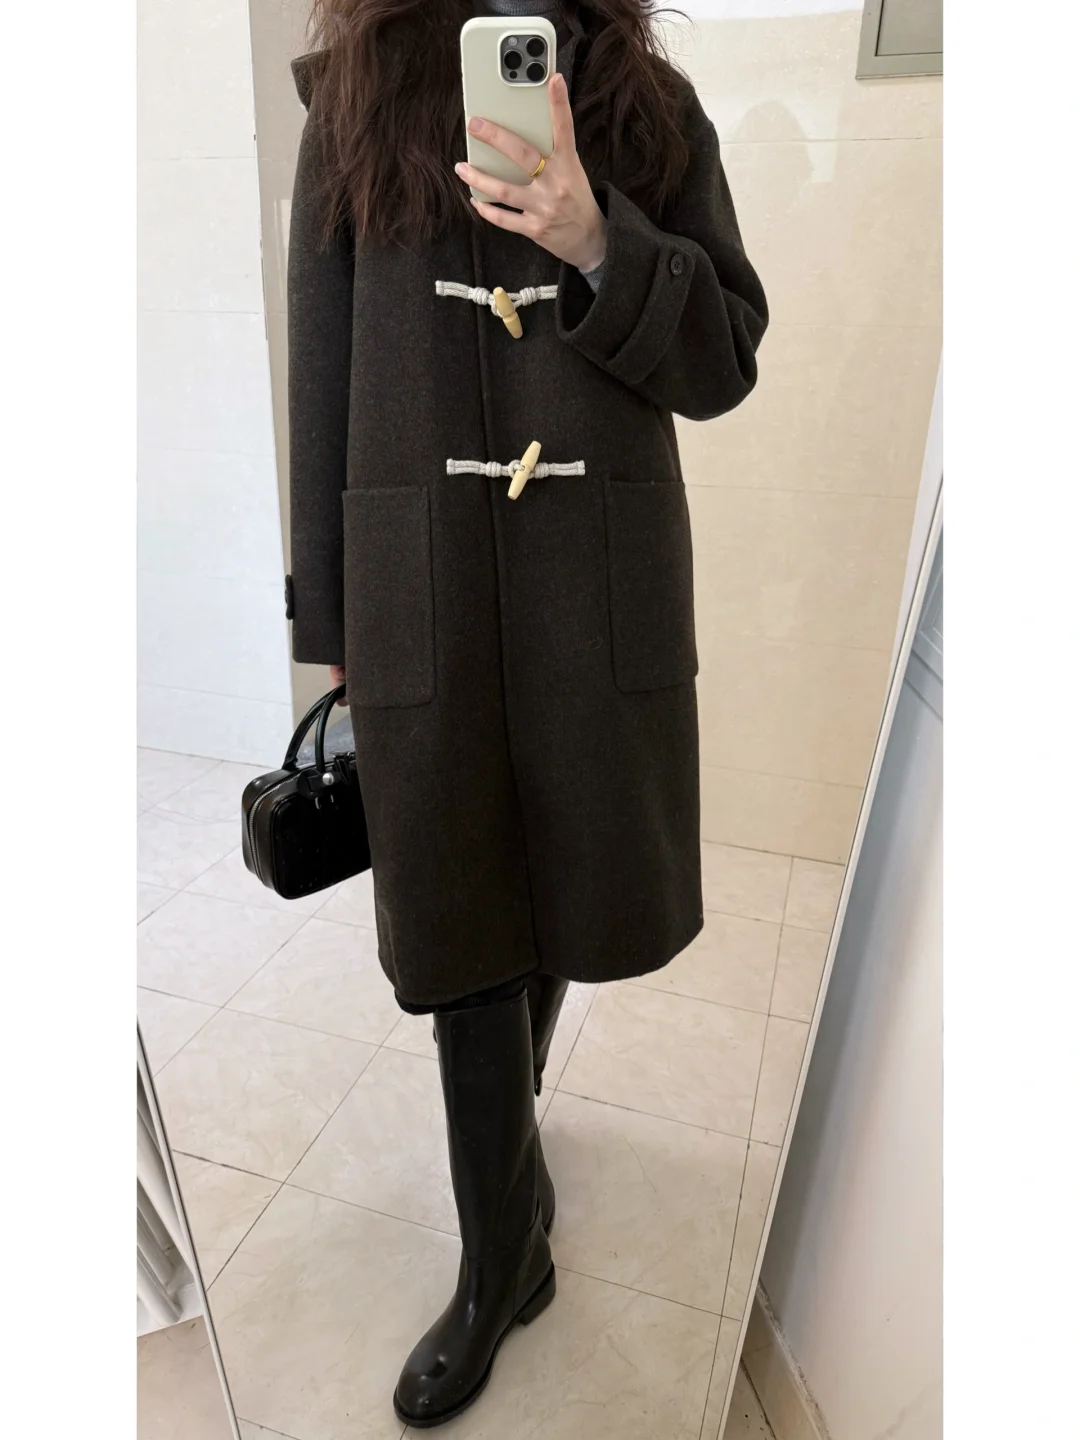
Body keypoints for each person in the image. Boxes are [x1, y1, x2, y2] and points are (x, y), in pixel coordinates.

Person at [286, 0, 767, 1425]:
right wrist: (330, 627)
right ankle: (503, 1255)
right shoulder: (351, 103)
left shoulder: (649, 111)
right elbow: (322, 370)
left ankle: (509, 1184)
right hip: (420, 578)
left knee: (558, 881)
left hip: (589, 587)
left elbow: (725, 359)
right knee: (456, 914)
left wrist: (600, 241)